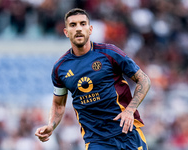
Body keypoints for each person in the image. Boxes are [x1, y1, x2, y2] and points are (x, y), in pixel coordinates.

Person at [35, 8, 151, 150]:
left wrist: (129, 110)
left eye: (82, 24)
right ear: (66, 32)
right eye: (73, 25)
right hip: (97, 140)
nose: (78, 29)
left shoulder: (109, 53)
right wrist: (51, 125)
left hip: (128, 133)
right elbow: (59, 104)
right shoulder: (60, 68)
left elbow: (144, 80)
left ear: (90, 29)